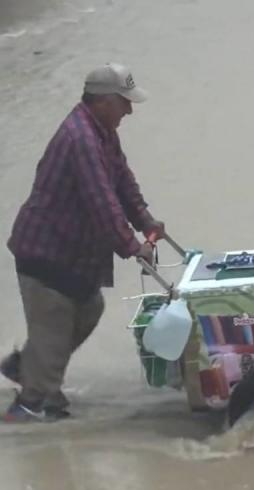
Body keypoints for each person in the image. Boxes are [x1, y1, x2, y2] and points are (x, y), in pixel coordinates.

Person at [1, 63, 165, 422]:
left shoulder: (103, 132)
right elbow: (101, 202)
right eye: (125, 103)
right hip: (46, 253)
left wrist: (146, 221)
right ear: (104, 101)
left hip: (71, 255)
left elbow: (122, 182)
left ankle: (28, 368)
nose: (130, 110)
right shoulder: (81, 139)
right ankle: (26, 410)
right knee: (54, 327)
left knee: (89, 311)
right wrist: (131, 245)